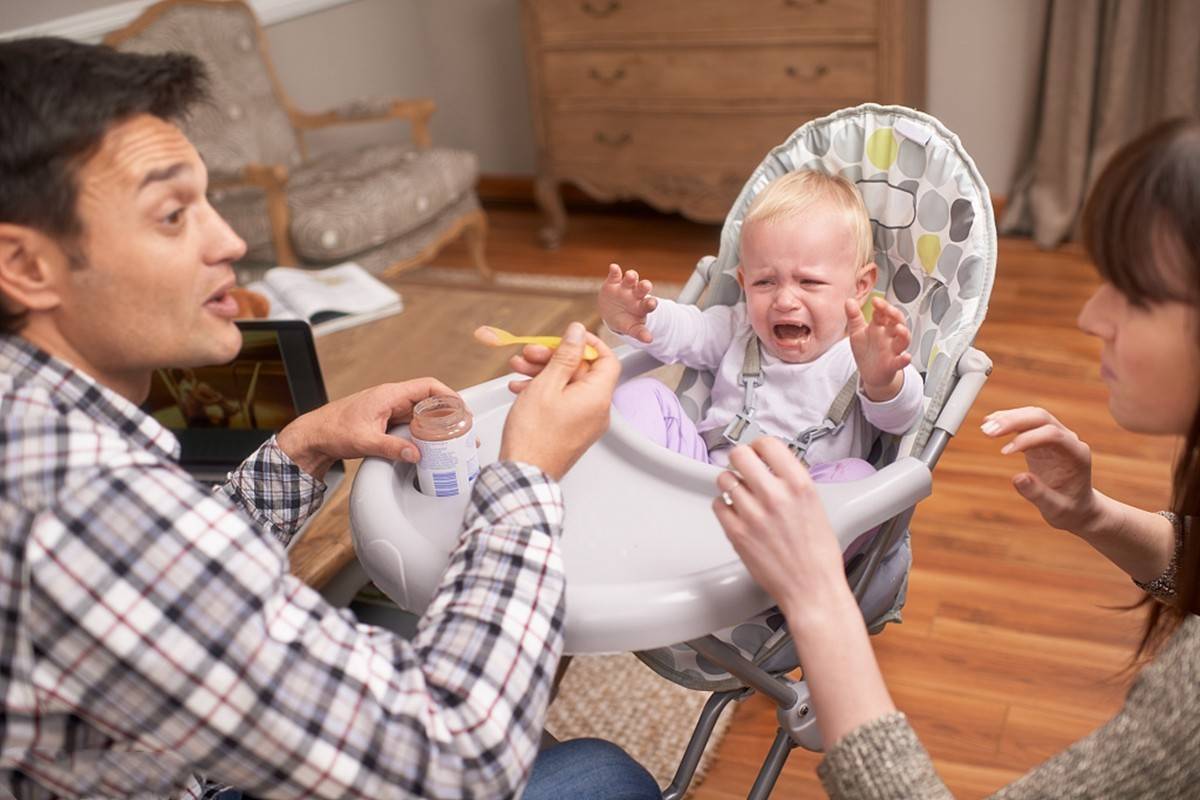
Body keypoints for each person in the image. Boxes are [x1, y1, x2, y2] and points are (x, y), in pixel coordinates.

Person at [0, 38, 659, 799]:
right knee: (603, 778)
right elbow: (456, 757)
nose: (231, 242)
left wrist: (302, 445)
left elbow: (167, 588)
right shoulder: (85, 506)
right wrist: (527, 476)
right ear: (24, 267)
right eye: (174, 214)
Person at [708, 118, 1200, 797]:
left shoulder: (1187, 713)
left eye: (1135, 294)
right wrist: (1093, 514)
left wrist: (818, 597)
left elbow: (894, 405)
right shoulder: (734, 331)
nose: (1090, 315)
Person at [599, 171, 922, 507]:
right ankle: (636, 504)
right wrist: (642, 316)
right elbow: (689, 331)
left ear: (860, 287)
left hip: (792, 518)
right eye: (765, 282)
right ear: (743, 280)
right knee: (641, 394)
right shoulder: (739, 327)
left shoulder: (862, 355)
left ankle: (786, 557)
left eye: (809, 282)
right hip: (699, 490)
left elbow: (901, 419)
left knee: (859, 479)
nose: (784, 300)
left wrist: (883, 381)